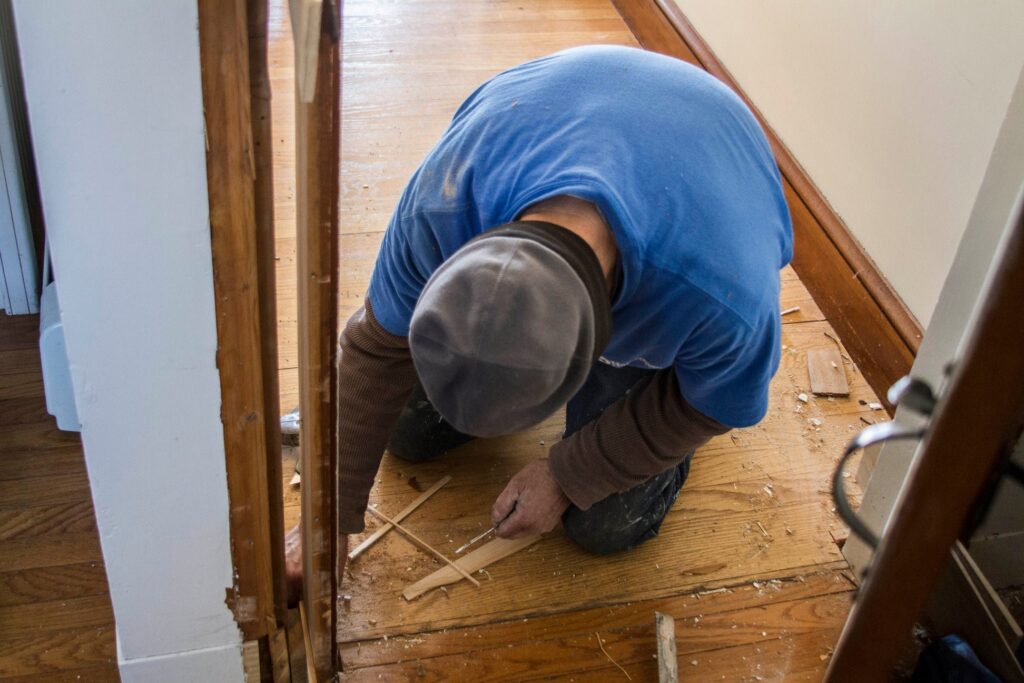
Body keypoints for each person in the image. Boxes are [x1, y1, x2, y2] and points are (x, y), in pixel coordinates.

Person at [286, 45, 792, 599]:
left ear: (606, 340)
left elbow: (706, 408)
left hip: (710, 153)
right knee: (407, 432)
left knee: (602, 525)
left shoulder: (719, 296)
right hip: (558, 101)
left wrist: (565, 473)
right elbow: (376, 351)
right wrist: (325, 517)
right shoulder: (442, 208)